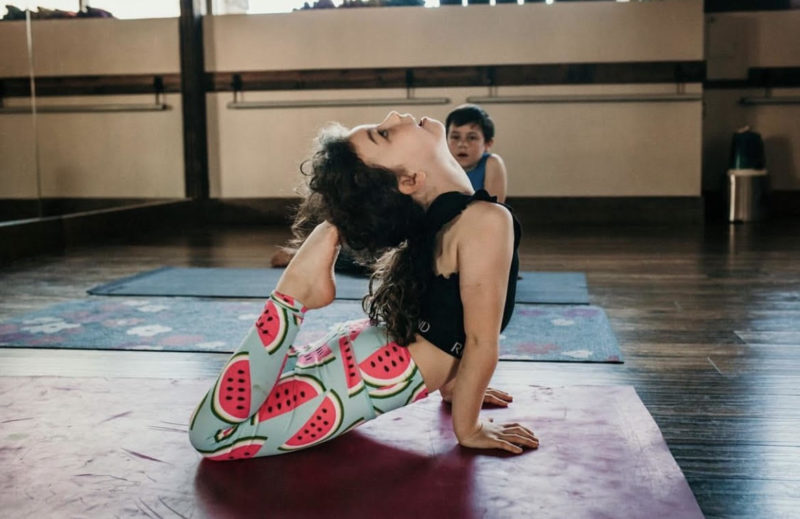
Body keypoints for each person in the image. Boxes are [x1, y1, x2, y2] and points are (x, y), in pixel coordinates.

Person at [188, 111, 538, 460]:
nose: (394, 116)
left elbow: (451, 318)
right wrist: (470, 428)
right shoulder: (484, 219)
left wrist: (458, 388)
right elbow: (478, 340)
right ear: (409, 180)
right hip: (377, 370)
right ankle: (292, 292)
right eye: (384, 134)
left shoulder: (453, 218)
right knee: (213, 435)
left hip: (370, 354)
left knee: (229, 417)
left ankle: (298, 288)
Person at [445, 104, 508, 203]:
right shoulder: (438, 163)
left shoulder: (491, 163)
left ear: (487, 144)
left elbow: (494, 210)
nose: (462, 144)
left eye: (472, 138)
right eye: (455, 137)